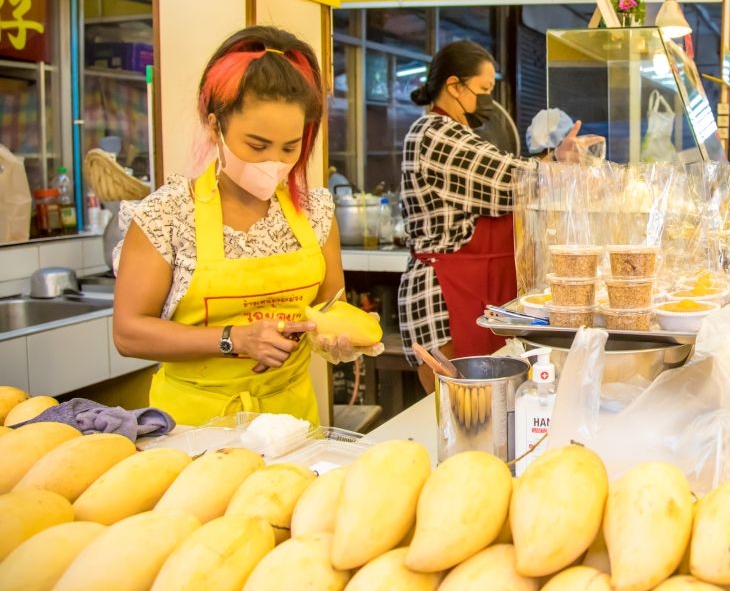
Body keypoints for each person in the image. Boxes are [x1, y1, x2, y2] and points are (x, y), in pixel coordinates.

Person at [112, 26, 360, 426]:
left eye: (290, 148)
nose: (274, 162)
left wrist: (339, 340)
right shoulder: (166, 216)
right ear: (215, 127)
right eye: (257, 146)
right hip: (193, 427)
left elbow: (332, 307)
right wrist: (234, 339)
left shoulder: (315, 212)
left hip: (291, 423)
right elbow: (129, 332)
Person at [400, 40, 593, 392]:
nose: (488, 99)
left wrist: (558, 161)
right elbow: (508, 181)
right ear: (454, 86)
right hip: (444, 297)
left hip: (470, 289)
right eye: (484, 89)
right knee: (459, 411)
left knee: (485, 410)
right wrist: (560, 167)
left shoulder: (458, 133)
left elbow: (509, 175)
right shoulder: (434, 133)